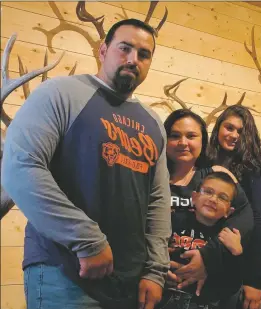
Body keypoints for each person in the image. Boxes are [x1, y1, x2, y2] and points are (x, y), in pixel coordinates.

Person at [2, 19, 171, 309]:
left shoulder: (153, 123)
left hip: (129, 283)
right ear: (103, 50)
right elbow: (21, 168)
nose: (133, 59)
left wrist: (156, 271)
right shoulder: (59, 94)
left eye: (144, 54)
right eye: (125, 48)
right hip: (64, 274)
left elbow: (157, 200)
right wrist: (86, 240)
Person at [162, 109, 254, 308]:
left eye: (191, 136)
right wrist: (154, 263)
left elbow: (244, 219)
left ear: (203, 141)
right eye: (175, 136)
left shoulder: (216, 175)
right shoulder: (152, 177)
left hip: (205, 296)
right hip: (160, 288)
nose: (183, 142)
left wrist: (208, 259)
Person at [207, 105, 261, 309]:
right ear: (218, 129)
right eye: (229, 128)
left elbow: (260, 225)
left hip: (246, 264)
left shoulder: (257, 171)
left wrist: (253, 280)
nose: (234, 135)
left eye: (241, 131)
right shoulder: (205, 163)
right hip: (212, 259)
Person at [160, 172, 243, 309]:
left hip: (203, 303)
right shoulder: (173, 221)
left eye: (222, 197)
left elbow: (231, 286)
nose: (213, 199)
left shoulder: (226, 239)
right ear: (194, 197)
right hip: (164, 297)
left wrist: (236, 255)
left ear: (229, 211)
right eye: (208, 192)